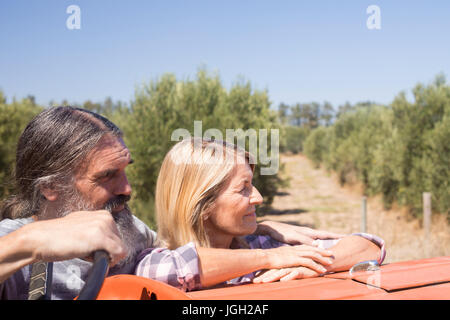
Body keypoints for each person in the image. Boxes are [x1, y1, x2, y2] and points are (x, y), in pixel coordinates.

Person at [0, 106, 341, 299]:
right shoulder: (16, 243)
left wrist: (262, 231)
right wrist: (34, 242)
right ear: (50, 188)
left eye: (125, 170)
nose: (128, 188)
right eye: (107, 176)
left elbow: (181, 259)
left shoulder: (129, 229)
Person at [135, 138, 386, 288]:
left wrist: (315, 265)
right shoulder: (154, 262)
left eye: (252, 184)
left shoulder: (262, 242)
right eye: (243, 189)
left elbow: (370, 246)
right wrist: (268, 259)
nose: (258, 197)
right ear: (202, 206)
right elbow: (182, 267)